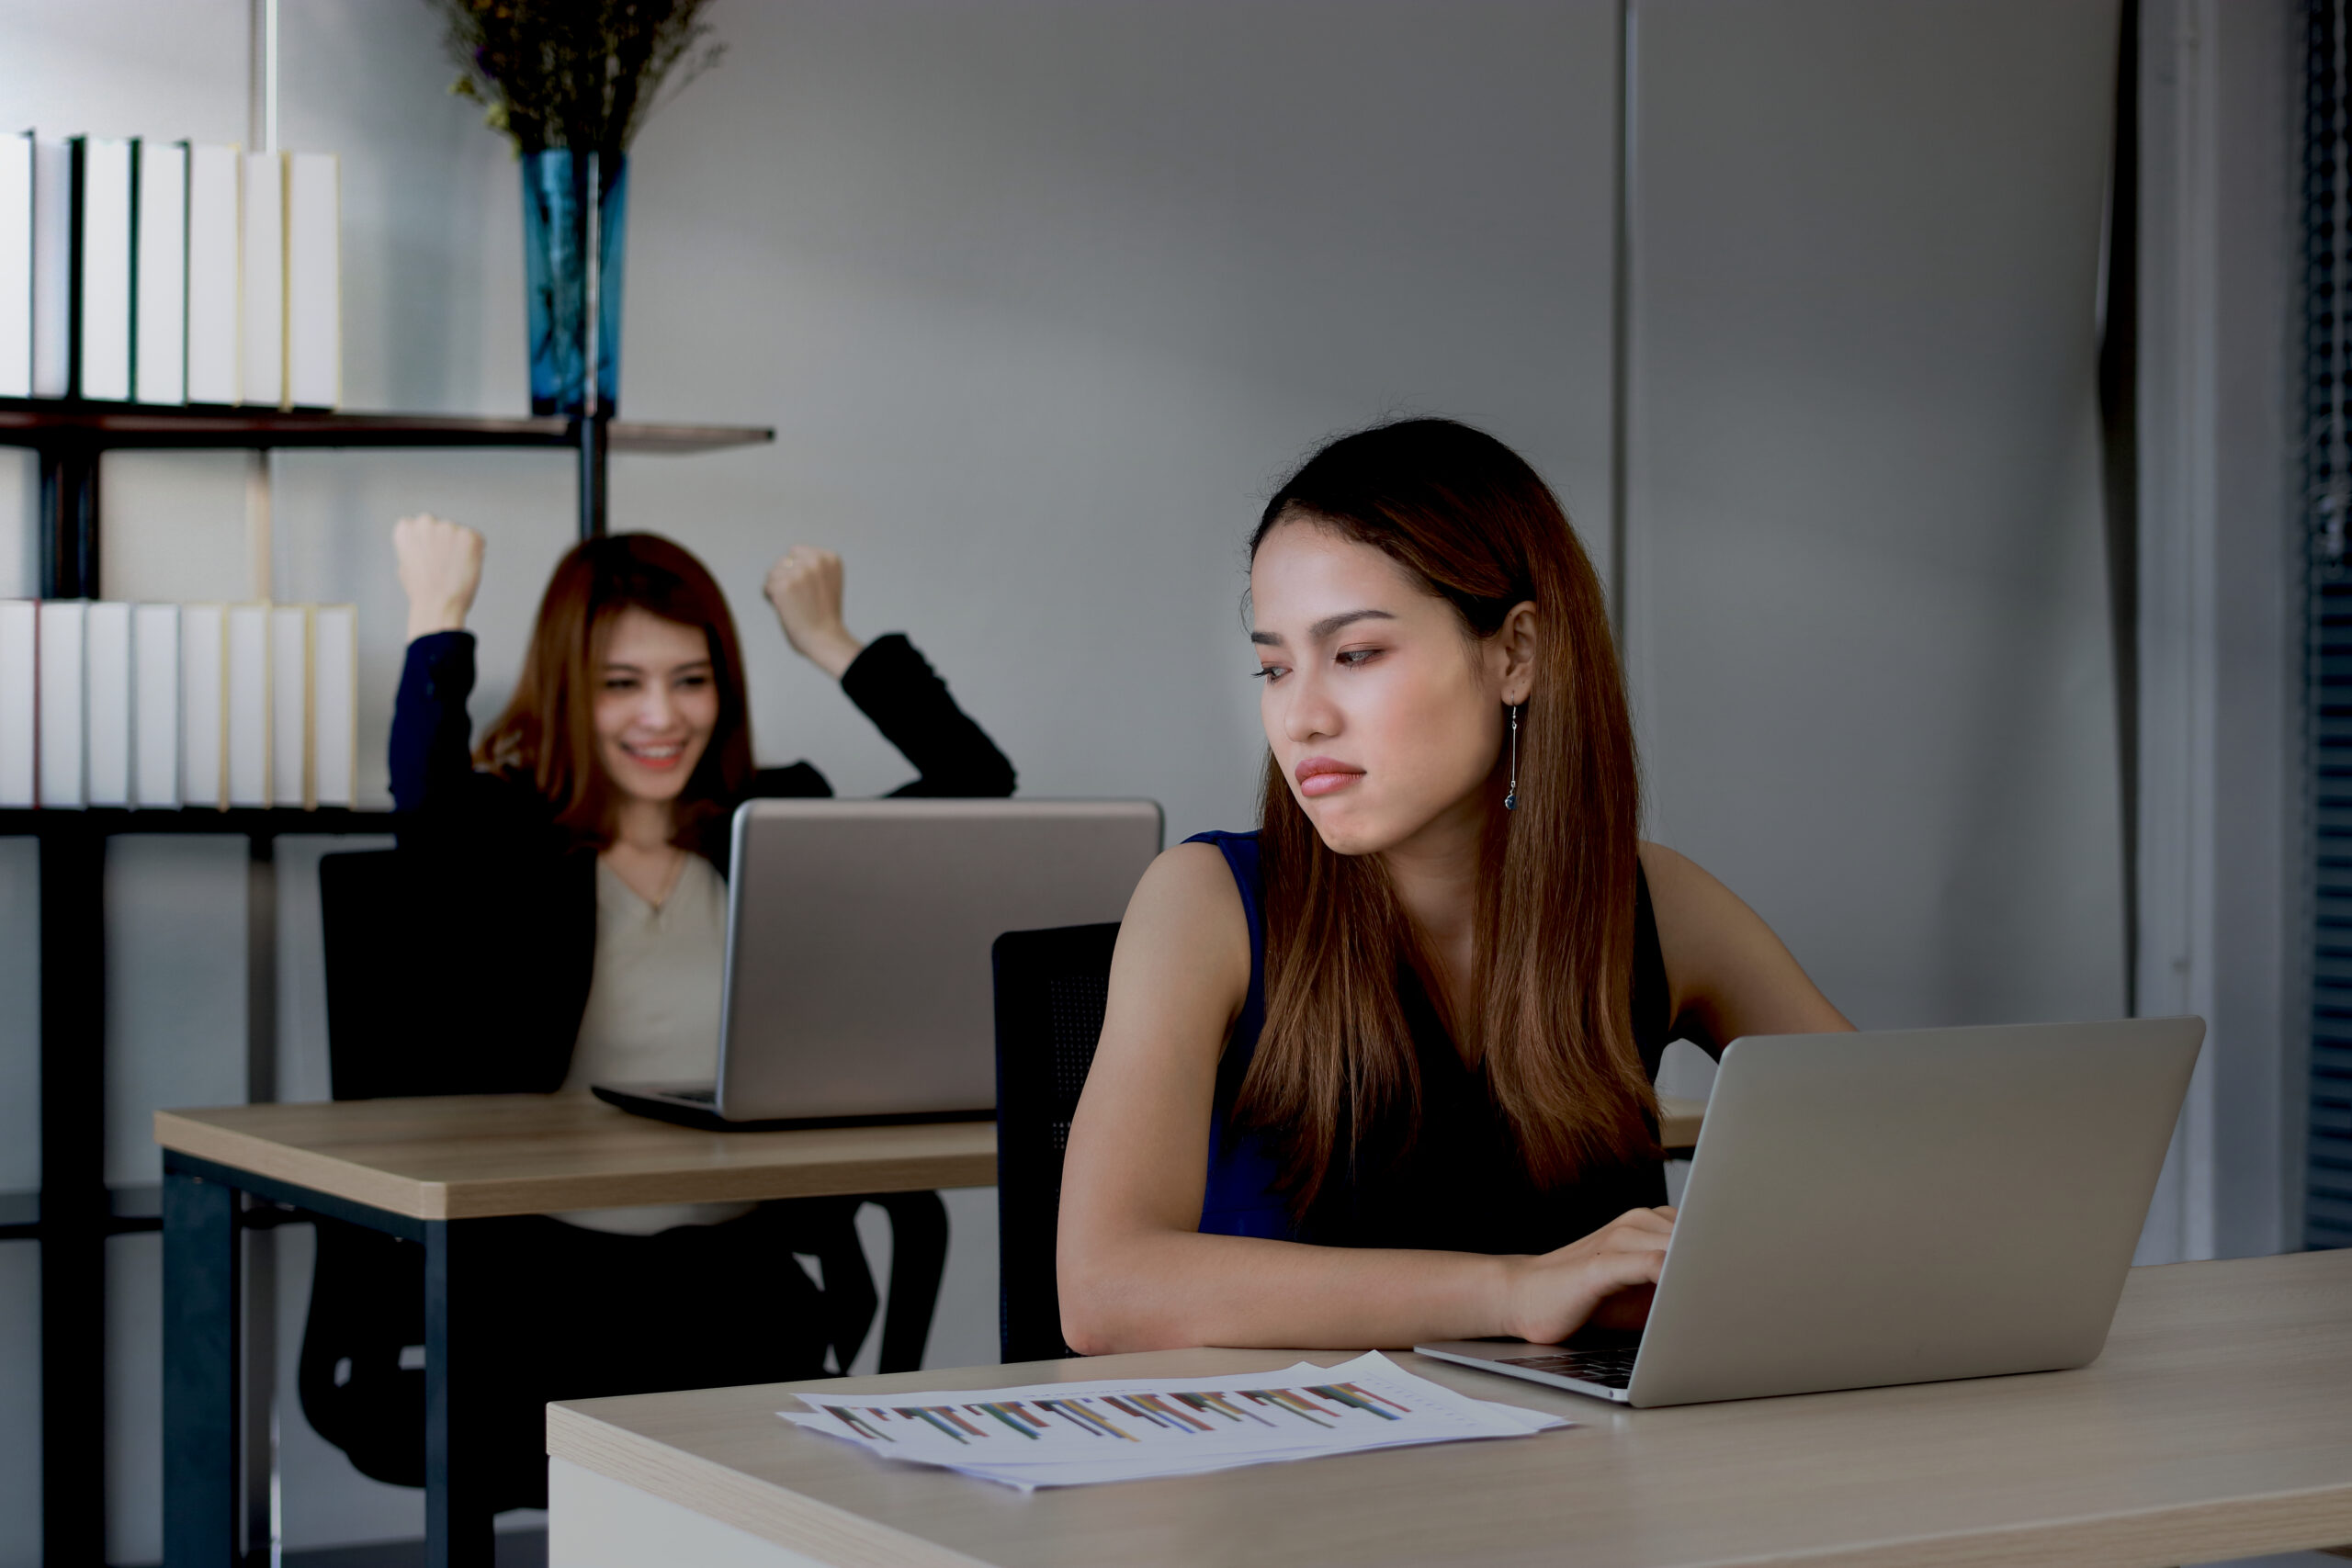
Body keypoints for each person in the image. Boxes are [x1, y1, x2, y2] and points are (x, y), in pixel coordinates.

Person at [1056, 419, 1852, 1356]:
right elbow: (1106, 1290)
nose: (1301, 717)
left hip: (1582, 1478)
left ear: (1515, 654)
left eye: (1354, 654)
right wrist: (1518, 1292)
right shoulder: (1204, 902)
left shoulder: (1656, 904)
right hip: (1286, 1482)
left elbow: (1901, 1158)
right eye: (1274, 667)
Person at [389, 516, 1017, 1121]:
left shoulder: (772, 821)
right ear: (568, 690)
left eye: (690, 680)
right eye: (621, 684)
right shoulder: (509, 832)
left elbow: (975, 781)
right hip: (547, 1221)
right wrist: (437, 616)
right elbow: (425, 810)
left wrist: (828, 637)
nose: (662, 717)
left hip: (748, 1222)